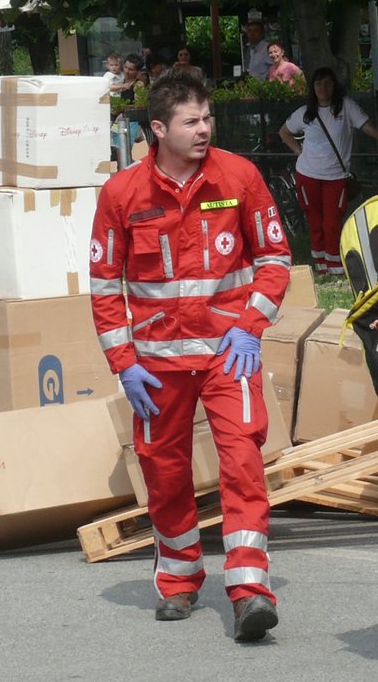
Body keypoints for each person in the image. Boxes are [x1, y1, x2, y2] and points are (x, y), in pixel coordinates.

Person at [88, 73, 293, 641]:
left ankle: (251, 591)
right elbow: (105, 285)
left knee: (243, 464)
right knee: (165, 472)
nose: (204, 130)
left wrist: (251, 326)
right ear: (158, 129)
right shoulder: (123, 193)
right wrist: (124, 363)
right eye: (191, 121)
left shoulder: (240, 177)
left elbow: (276, 257)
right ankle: (178, 579)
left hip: (232, 356)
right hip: (155, 367)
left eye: (207, 119)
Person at [278, 67, 378, 277]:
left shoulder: (347, 107)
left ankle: (335, 265)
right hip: (308, 174)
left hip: (335, 176)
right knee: (315, 221)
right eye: (319, 84)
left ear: (334, 86)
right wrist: (298, 151)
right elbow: (284, 132)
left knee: (332, 222)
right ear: (313, 88)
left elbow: (368, 128)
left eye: (328, 83)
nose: (323, 88)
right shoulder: (305, 112)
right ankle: (321, 265)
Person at [243, 12, 272, 80]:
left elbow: (276, 69)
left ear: (262, 34)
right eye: (249, 31)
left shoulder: (268, 49)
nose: (252, 34)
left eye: (256, 31)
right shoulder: (252, 50)